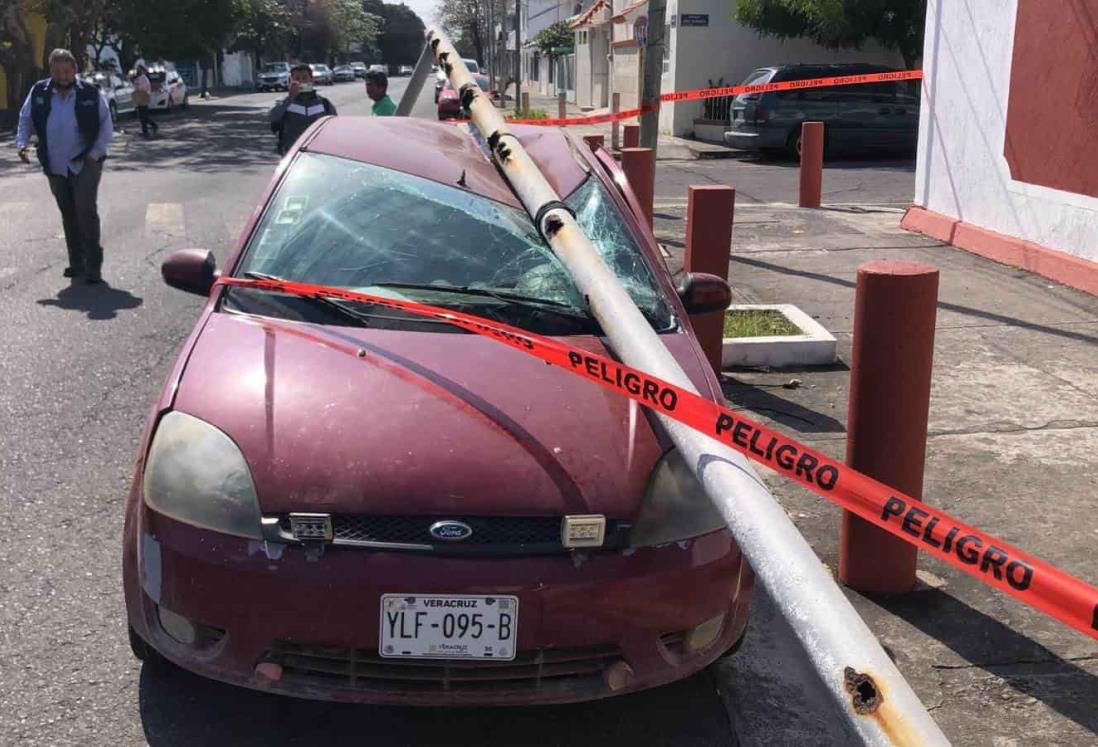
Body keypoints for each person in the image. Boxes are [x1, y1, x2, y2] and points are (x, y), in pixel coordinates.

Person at [16, 48, 114, 284]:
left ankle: (93, 265)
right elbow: (26, 118)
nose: (63, 77)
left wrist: (95, 153)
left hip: (86, 161)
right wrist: (22, 143)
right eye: (58, 71)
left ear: (75, 70)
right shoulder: (39, 91)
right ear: (51, 71)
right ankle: (76, 262)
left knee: (85, 210)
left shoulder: (90, 92)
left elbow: (106, 124)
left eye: (67, 72)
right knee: (68, 212)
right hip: (55, 163)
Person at [269, 64, 337, 155]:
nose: (301, 82)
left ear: (311, 80)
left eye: (305, 78)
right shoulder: (284, 103)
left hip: (319, 154)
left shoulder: (324, 103)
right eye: (297, 79)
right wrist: (290, 98)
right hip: (292, 155)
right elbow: (273, 117)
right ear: (291, 81)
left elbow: (334, 127)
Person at [132, 65, 158, 138]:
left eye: (139, 70)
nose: (138, 71)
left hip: (143, 97)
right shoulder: (138, 78)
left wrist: (138, 87)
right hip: (140, 97)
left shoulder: (144, 78)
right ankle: (145, 131)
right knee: (141, 116)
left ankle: (153, 126)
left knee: (144, 115)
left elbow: (144, 88)